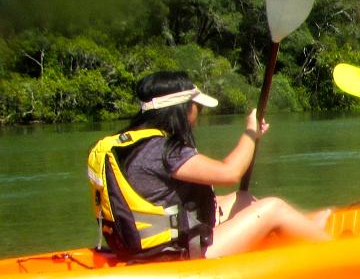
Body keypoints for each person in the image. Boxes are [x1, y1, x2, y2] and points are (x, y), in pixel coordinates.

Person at [88, 71, 330, 260]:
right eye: (198, 107)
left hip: (140, 248)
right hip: (172, 255)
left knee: (242, 199)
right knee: (273, 207)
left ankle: (300, 233)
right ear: (182, 109)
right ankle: (335, 249)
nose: (199, 113)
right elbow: (230, 172)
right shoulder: (165, 150)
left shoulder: (131, 143)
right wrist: (249, 132)